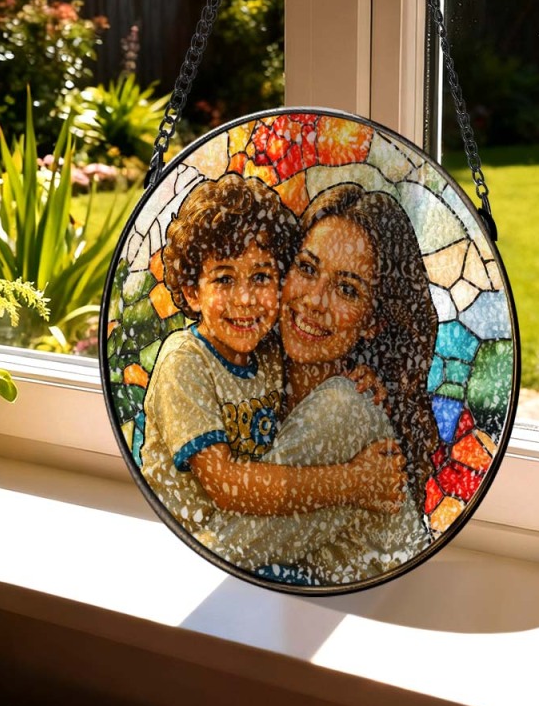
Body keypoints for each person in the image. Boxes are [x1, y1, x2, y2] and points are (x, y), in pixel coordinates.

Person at [198, 183, 441, 585]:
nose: (314, 300)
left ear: (373, 321)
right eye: (307, 269)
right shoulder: (259, 379)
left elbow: (224, 550)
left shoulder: (343, 409)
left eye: (347, 289)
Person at [141, 173, 405, 534]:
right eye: (224, 279)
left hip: (250, 540)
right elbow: (226, 485)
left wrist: (359, 375)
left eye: (261, 277)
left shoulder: (266, 353)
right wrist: (352, 483)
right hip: (184, 539)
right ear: (192, 292)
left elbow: (320, 402)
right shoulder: (184, 362)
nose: (245, 299)